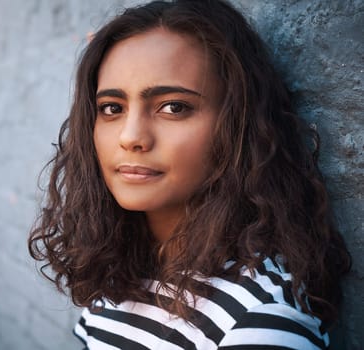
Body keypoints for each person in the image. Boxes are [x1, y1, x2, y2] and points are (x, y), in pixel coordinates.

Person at [28, 0, 351, 349]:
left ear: (237, 125)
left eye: (174, 107)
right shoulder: (115, 274)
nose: (131, 136)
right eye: (112, 108)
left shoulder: (262, 319)